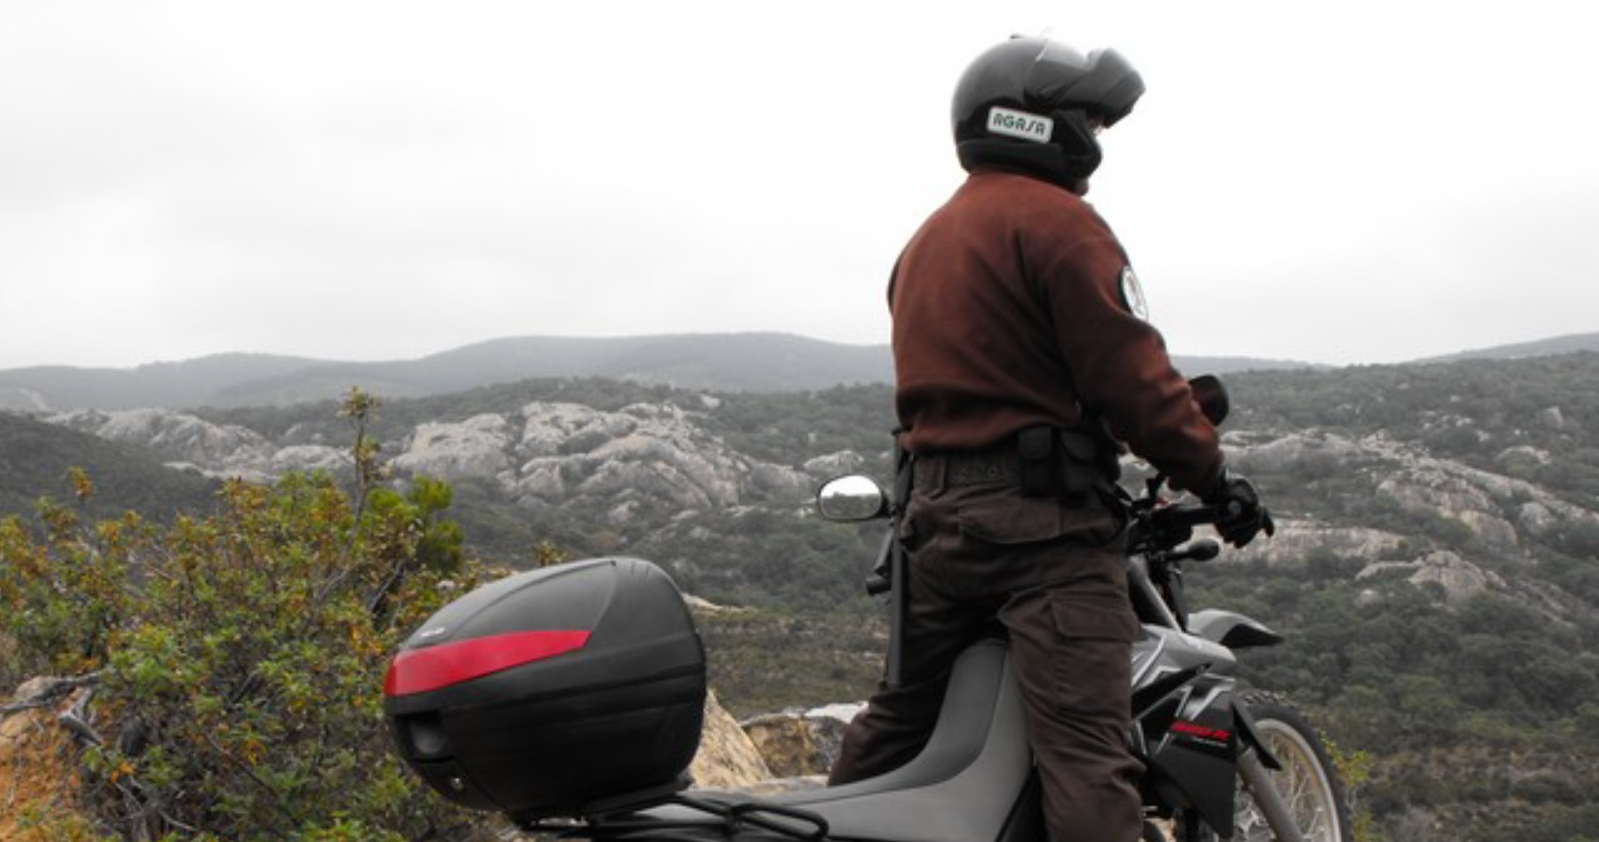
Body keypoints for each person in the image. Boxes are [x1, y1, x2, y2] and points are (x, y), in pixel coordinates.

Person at [827, 35, 1270, 842]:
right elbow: (1131, 377)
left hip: (933, 526)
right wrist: (1215, 478)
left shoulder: (925, 240)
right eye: (1085, 120)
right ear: (1034, 124)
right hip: (1043, 535)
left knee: (899, 724)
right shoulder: (1063, 226)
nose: (1093, 139)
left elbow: (992, 370)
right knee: (1087, 753)